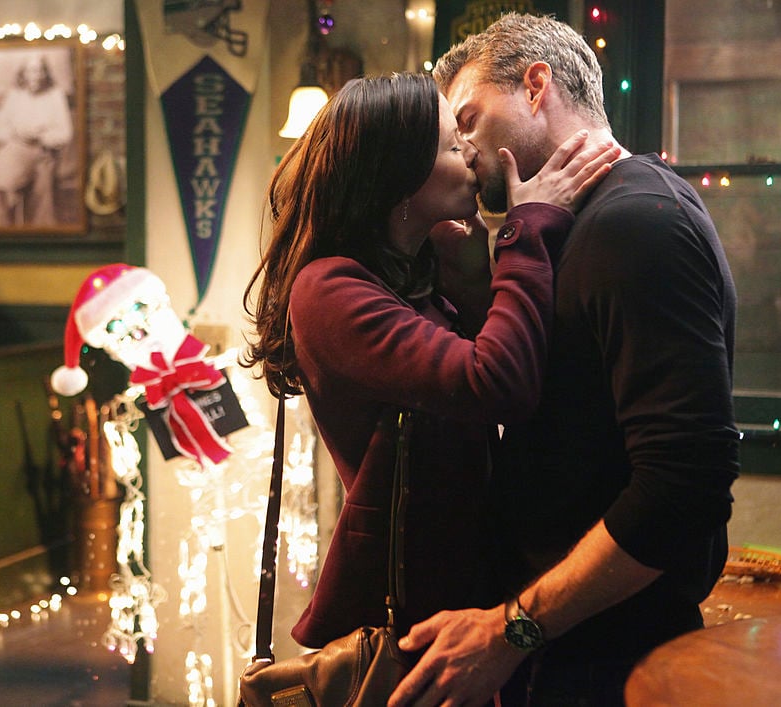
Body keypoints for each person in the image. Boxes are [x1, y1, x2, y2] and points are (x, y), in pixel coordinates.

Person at [389, 13, 739, 707]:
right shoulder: (578, 223)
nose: (462, 149)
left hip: (611, 661)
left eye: (468, 118)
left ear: (536, 85)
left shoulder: (636, 221)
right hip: (569, 650)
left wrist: (512, 630)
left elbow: (685, 484)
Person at [242, 72, 618, 653]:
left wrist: (473, 273)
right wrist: (527, 228)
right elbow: (496, 382)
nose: (470, 153)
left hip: (465, 596)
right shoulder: (329, 290)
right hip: (408, 626)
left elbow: (510, 361)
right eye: (450, 144)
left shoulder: (418, 272)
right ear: (399, 178)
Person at [0, 53, 74, 228]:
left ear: (46, 73)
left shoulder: (55, 96)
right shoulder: (15, 95)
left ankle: (39, 231)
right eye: (31, 71)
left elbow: (65, 133)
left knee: (41, 196)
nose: (36, 76)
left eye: (40, 71)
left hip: (43, 153)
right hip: (16, 149)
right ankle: (4, 229)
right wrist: (17, 133)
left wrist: (41, 136)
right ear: (23, 73)